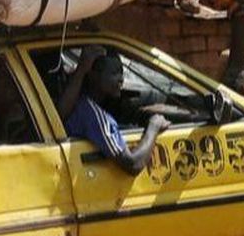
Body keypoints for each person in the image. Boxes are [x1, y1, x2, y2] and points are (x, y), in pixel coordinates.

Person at [55, 46, 170, 175]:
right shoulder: (93, 115)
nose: (121, 79)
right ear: (93, 75)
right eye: (114, 73)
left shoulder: (80, 103)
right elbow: (133, 164)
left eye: (121, 72)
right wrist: (154, 127)